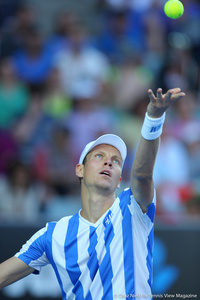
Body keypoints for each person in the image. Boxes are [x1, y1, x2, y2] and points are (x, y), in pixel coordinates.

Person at [0, 87, 185, 299]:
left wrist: (153, 118)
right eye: (99, 156)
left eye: (116, 161)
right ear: (80, 169)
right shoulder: (52, 236)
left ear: (119, 181)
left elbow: (142, 174)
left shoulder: (132, 208)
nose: (108, 161)